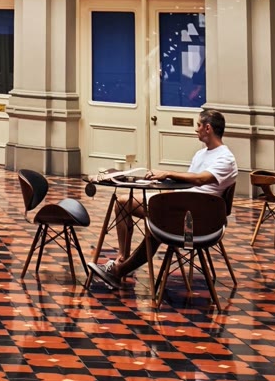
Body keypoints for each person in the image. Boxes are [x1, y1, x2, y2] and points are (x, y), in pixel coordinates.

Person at [90, 110, 236, 292]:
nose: (196, 129)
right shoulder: (201, 154)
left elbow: (200, 180)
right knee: (122, 203)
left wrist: (168, 173)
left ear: (208, 128)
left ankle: (119, 271)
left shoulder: (226, 158)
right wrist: (163, 183)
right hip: (181, 207)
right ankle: (123, 259)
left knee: (157, 224)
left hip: (197, 222)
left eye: (198, 125)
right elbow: (188, 182)